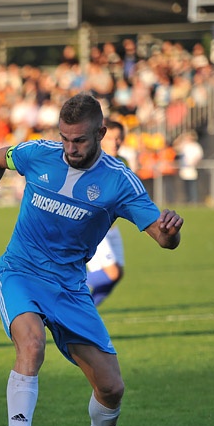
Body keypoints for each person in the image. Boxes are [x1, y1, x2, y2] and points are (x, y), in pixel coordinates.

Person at [0, 93, 183, 426]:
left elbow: (164, 241)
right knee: (31, 345)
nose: (69, 148)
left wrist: (171, 231)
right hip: (20, 272)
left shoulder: (119, 182)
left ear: (102, 133)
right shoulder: (40, 154)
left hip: (69, 288)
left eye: (78, 140)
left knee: (111, 387)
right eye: (64, 138)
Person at [86, 119, 128, 306]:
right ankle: (62, 289)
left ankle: (86, 313)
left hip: (111, 226)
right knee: (113, 272)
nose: (115, 142)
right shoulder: (92, 162)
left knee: (118, 273)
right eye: (111, 138)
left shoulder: (123, 162)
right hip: (93, 227)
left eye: (119, 138)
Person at [175, 130, 204, 205]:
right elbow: (176, 147)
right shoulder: (184, 145)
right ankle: (187, 200)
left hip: (191, 168)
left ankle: (193, 201)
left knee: (192, 186)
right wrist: (180, 138)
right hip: (184, 168)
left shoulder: (196, 146)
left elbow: (199, 156)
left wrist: (194, 162)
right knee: (185, 186)